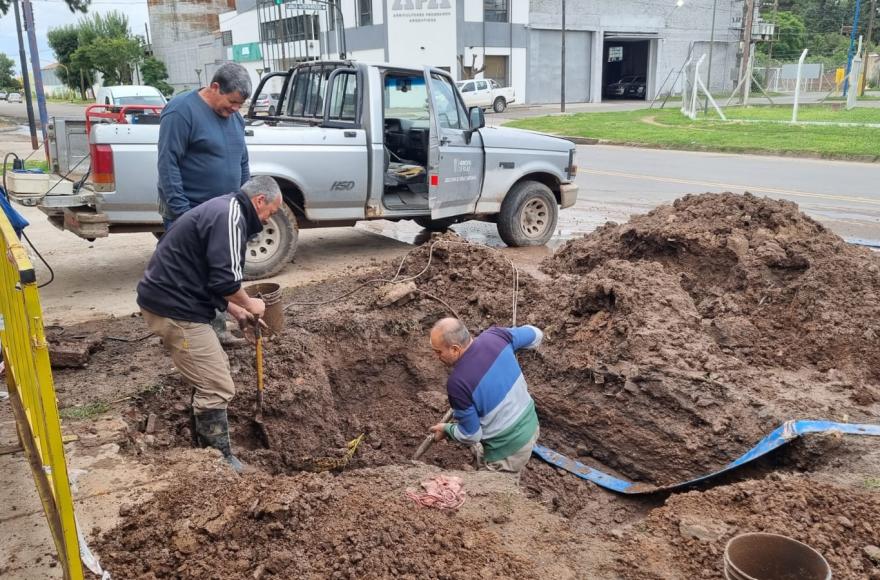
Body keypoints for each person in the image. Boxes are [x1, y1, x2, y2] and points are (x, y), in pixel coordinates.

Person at [137, 176, 283, 472]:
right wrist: (249, 304)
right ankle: (218, 462)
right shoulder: (231, 217)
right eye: (271, 211)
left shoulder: (225, 211)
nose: (270, 219)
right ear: (259, 201)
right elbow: (226, 280)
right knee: (217, 385)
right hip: (175, 309)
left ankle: (203, 450)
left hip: (178, 300)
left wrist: (233, 310)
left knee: (211, 374)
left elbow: (204, 276)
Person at [157, 62, 253, 344]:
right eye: (232, 102)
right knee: (191, 275)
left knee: (219, 270)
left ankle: (216, 331)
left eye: (240, 105)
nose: (235, 109)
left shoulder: (235, 118)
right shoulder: (181, 111)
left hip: (223, 212)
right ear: (214, 88)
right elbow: (168, 164)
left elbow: (242, 160)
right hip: (189, 211)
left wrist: (242, 203)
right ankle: (190, 335)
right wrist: (183, 214)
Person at [429, 318, 542, 475]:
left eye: (438, 352)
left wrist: (447, 429)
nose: (436, 357)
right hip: (531, 425)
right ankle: (483, 460)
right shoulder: (496, 335)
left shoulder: (458, 384)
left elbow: (471, 436)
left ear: (455, 349)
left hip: (507, 449)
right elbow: (536, 334)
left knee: (492, 494)